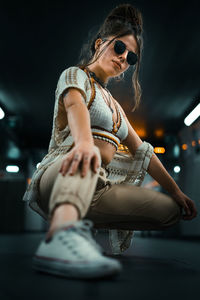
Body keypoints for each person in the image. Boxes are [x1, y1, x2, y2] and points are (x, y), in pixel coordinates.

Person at [23, 3, 198, 279]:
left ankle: (79, 221)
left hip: (97, 188)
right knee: (87, 155)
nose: (123, 58)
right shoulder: (75, 75)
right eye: (119, 48)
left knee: (169, 212)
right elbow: (75, 105)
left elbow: (144, 152)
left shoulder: (116, 108)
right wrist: (82, 144)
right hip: (60, 173)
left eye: (131, 58)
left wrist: (177, 193)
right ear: (100, 44)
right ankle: (60, 236)